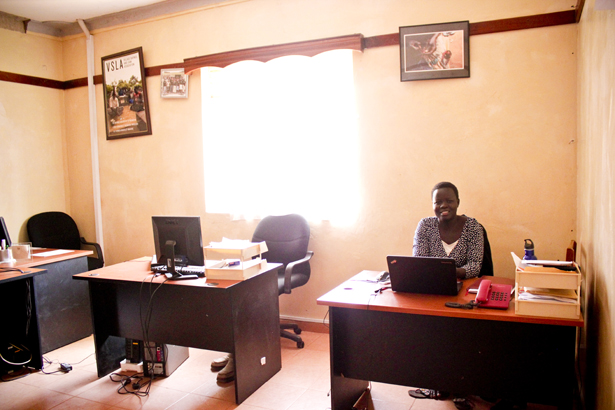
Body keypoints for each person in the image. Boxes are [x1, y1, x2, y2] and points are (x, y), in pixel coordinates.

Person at [408, 181, 484, 410]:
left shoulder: (473, 228)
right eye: (438, 201)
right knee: (429, 331)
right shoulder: (425, 226)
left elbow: (475, 267)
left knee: (460, 335)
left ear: (458, 202)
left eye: (449, 200)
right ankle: (437, 382)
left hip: (464, 295)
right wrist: (446, 270)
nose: (443, 205)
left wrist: (447, 271)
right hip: (432, 292)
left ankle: (461, 386)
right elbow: (419, 262)